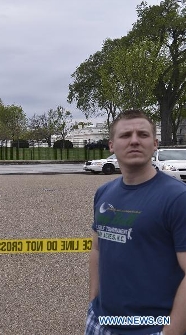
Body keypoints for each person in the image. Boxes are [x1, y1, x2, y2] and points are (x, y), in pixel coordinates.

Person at [86, 110, 186, 335]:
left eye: (142, 134)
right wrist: (94, 300)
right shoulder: (104, 193)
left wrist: (172, 331)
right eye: (125, 135)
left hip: (150, 327)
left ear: (155, 144)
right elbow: (97, 248)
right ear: (111, 145)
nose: (134, 140)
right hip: (100, 323)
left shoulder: (177, 198)